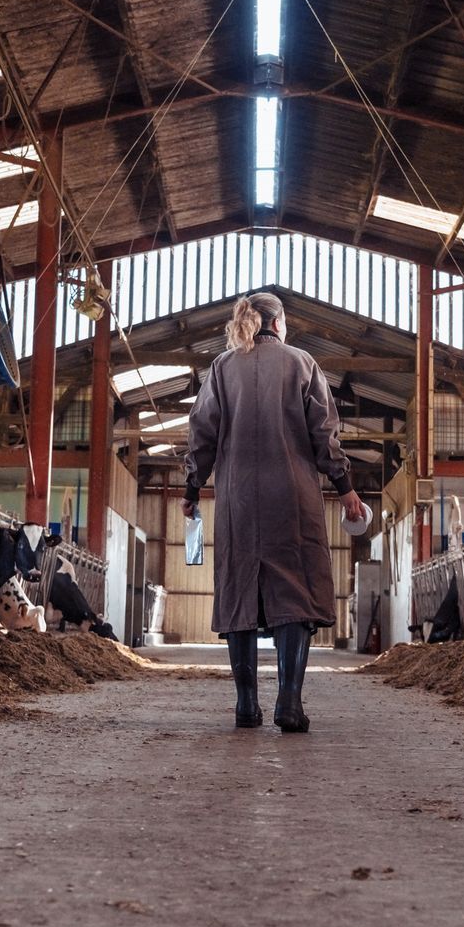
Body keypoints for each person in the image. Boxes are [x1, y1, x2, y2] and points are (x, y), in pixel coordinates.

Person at [184, 292, 368, 732]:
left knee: (239, 591)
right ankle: (289, 703)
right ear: (280, 323)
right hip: (292, 495)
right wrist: (345, 489)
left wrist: (192, 488)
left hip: (238, 498)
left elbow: (202, 433)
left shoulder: (222, 368)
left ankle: (246, 706)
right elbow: (325, 435)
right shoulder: (303, 363)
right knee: (295, 592)